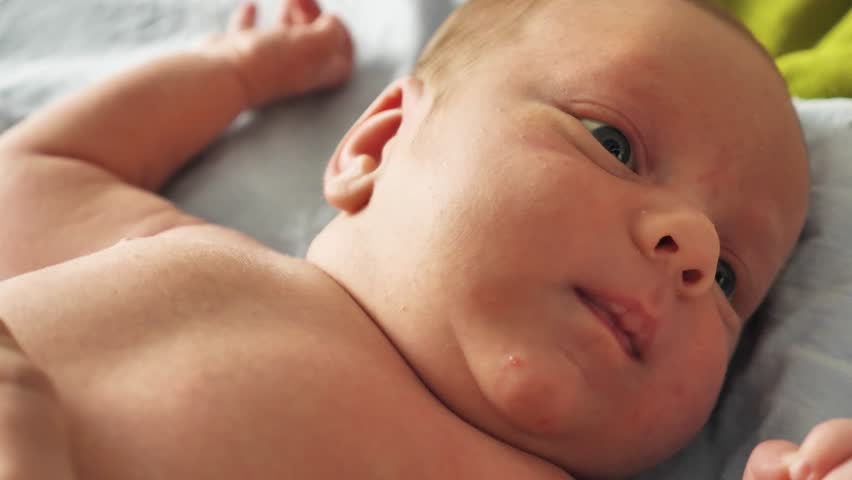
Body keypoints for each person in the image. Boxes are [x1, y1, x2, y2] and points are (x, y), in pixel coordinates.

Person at [0, 0, 848, 478]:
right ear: (374, 145)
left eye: (732, 278)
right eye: (613, 144)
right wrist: (236, 73)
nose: (693, 247)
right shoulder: (187, 263)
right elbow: (37, 172)